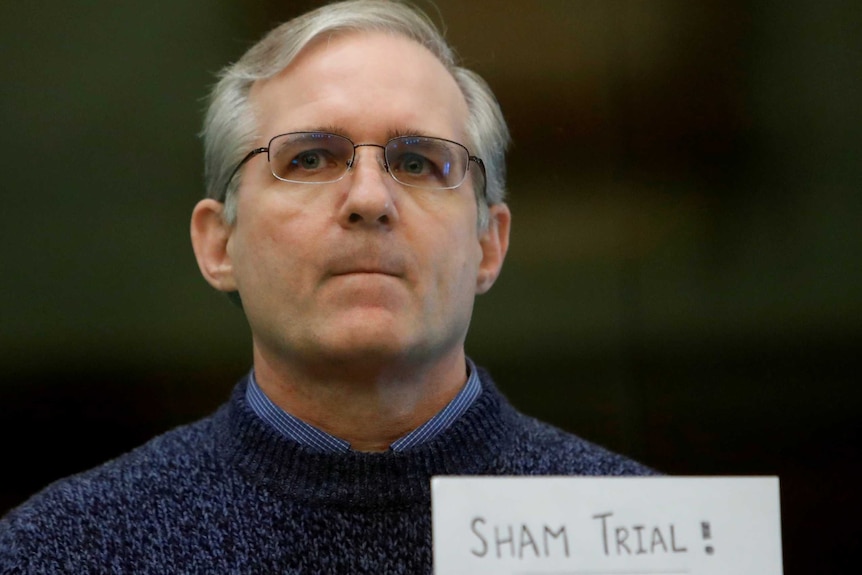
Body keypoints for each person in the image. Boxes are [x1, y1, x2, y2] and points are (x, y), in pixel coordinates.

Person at [0, 0, 657, 572]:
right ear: (218, 243)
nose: (370, 197)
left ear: (489, 244)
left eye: (418, 162)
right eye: (309, 158)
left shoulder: (651, 540)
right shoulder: (59, 548)